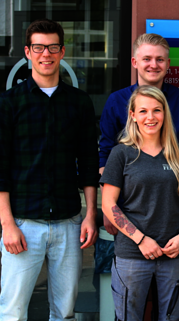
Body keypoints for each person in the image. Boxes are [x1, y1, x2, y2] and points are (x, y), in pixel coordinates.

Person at [0, 19, 99, 320]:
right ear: (28, 52)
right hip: (23, 222)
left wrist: (91, 215)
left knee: (64, 312)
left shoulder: (79, 103)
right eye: (39, 47)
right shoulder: (9, 103)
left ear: (62, 51)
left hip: (68, 222)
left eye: (53, 47)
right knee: (13, 311)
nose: (46, 54)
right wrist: (7, 224)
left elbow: (88, 163)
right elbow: (1, 166)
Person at [100, 85, 179, 321]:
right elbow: (108, 204)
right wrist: (141, 240)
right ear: (132, 115)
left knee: (171, 317)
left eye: (156, 110)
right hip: (132, 254)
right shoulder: (121, 154)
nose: (150, 117)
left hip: (172, 253)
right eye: (143, 111)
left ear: (165, 113)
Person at [99, 33, 179, 235]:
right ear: (134, 62)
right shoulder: (116, 101)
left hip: (170, 210)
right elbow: (105, 152)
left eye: (159, 59)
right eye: (147, 59)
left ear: (168, 64)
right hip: (125, 209)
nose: (153, 65)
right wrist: (109, 206)